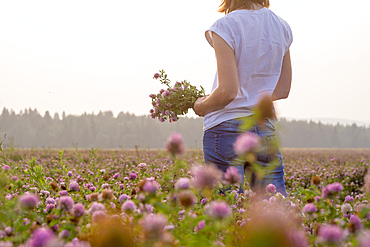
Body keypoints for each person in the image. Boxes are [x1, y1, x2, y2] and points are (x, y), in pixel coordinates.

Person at [193, 0, 292, 196]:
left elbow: (228, 91)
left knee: (226, 212)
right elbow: (282, 90)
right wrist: (254, 98)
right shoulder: (281, 26)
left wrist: (202, 106)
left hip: (225, 128)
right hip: (265, 129)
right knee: (273, 212)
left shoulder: (225, 26)